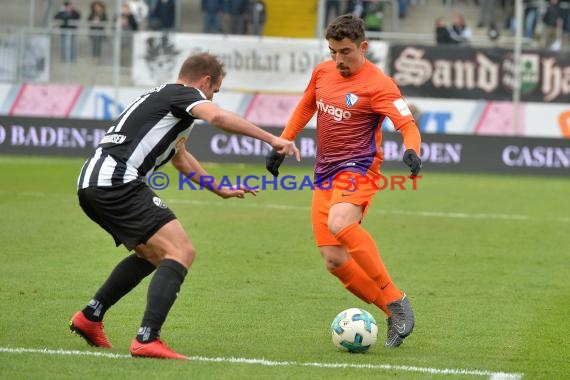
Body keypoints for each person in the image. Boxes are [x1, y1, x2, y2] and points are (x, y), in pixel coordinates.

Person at [69, 52, 300, 359]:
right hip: (116, 180)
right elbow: (218, 117)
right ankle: (147, 339)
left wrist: (219, 189)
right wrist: (273, 140)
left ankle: (90, 316)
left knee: (153, 255)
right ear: (205, 81)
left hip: (93, 182)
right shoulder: (184, 94)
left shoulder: (164, 99)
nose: (212, 97)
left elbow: (180, 156)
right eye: (214, 91)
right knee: (181, 251)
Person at [265, 14, 421, 348]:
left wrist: (412, 150)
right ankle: (393, 313)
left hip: (360, 167)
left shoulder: (379, 84)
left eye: (346, 52)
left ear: (363, 47)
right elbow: (307, 104)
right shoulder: (322, 72)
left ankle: (396, 298)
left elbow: (407, 124)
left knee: (340, 222)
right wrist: (283, 142)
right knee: (334, 261)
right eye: (333, 51)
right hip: (325, 173)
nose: (339, 60)